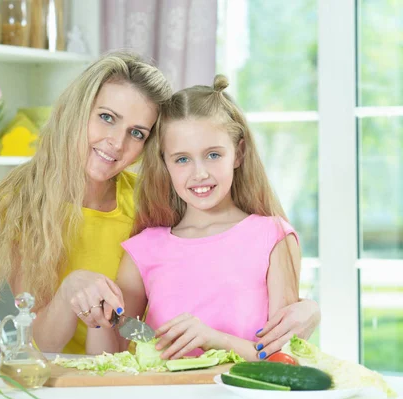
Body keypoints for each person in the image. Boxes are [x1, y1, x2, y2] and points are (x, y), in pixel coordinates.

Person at [0, 53, 320, 356]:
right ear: (78, 111)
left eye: (138, 133)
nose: (116, 143)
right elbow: (35, 347)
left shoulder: (150, 198)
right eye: (106, 117)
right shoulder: (17, 205)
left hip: (149, 375)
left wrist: (311, 309)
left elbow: (222, 258)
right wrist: (69, 292)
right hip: (71, 378)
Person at [87, 75, 312, 362]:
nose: (200, 173)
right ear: (165, 163)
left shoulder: (272, 237)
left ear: (238, 153)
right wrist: (96, 317)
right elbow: (110, 355)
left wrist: (213, 340)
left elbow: (285, 358)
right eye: (182, 159)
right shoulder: (143, 249)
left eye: (213, 155)